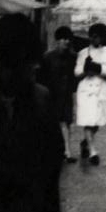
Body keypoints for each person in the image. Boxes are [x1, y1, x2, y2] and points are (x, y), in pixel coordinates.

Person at [0, 13, 63, 212]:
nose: (32, 71)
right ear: (4, 64)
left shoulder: (40, 98)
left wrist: (49, 204)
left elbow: (53, 154)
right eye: (26, 65)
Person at [74, 23, 106, 165]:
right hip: (86, 90)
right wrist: (86, 70)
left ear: (103, 38)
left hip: (102, 91)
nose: (95, 39)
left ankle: (85, 142)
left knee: (97, 121)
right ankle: (93, 151)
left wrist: (99, 68)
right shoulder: (83, 53)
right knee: (88, 120)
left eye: (98, 37)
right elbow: (77, 72)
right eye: (93, 36)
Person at [39, 26, 79, 163]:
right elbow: (41, 77)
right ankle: (59, 150)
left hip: (66, 94)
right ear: (58, 40)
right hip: (52, 94)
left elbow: (76, 77)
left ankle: (66, 151)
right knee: (54, 123)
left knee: (66, 122)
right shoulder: (48, 57)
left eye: (68, 38)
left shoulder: (74, 57)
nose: (66, 41)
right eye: (63, 38)